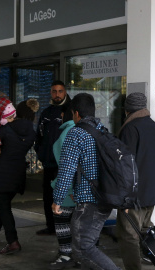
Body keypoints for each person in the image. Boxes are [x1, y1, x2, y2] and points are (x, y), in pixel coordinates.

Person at [52, 93, 121, 270]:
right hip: (105, 196)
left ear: (75, 113)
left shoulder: (75, 133)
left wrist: (58, 200)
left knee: (84, 248)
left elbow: (66, 170)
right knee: (85, 247)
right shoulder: (102, 130)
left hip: (89, 200)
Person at [116, 92, 155, 270]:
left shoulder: (130, 128)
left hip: (135, 193)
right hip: (152, 190)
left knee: (129, 234)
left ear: (127, 109)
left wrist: (125, 195)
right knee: (145, 229)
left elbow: (126, 165)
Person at [0, 99, 38, 254]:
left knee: (4, 206)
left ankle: (13, 241)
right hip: (18, 174)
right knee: (2, 205)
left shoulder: (4, 129)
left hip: (1, 173)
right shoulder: (31, 133)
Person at [35, 80, 71, 236]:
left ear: (65, 92)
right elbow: (39, 135)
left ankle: (63, 228)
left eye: (60, 91)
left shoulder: (69, 111)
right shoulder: (46, 112)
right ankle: (51, 227)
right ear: (51, 93)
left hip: (63, 164)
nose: (57, 94)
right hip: (48, 163)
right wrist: (41, 154)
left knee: (64, 197)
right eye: (54, 91)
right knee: (48, 196)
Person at [48, 104, 79, 269]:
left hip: (68, 190)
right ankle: (79, 255)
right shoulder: (86, 131)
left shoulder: (68, 133)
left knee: (62, 222)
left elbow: (67, 167)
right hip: (82, 190)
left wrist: (63, 193)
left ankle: (66, 254)